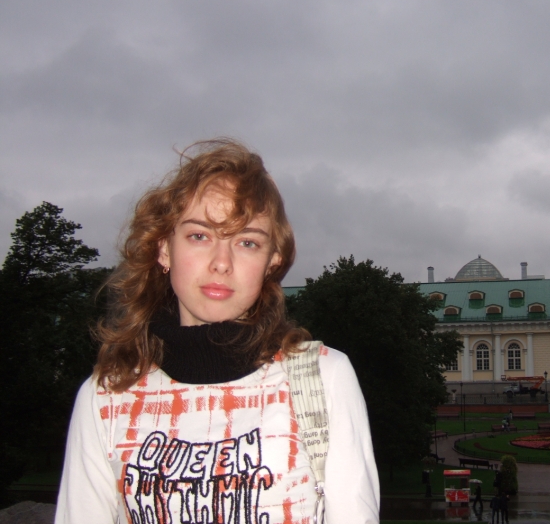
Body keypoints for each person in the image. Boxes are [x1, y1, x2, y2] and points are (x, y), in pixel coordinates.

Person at [54, 140, 380, 524]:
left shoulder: (322, 378)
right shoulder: (107, 396)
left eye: (247, 242)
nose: (221, 262)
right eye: (199, 236)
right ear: (164, 248)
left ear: (272, 260)